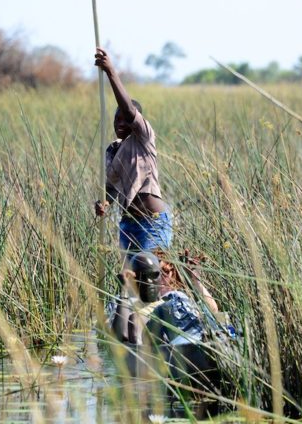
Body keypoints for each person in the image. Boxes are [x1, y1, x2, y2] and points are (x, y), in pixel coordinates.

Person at [93, 47, 172, 255]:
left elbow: (128, 111)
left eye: (125, 120)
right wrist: (104, 203)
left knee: (154, 281)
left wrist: (111, 71)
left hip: (152, 223)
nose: (120, 124)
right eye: (116, 119)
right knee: (133, 286)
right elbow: (112, 188)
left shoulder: (144, 138)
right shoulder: (113, 150)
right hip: (128, 227)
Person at [111, 251, 219, 346]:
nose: (149, 281)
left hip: (193, 338)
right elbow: (119, 338)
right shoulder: (124, 304)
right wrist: (124, 290)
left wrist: (195, 281)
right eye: (143, 276)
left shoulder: (174, 298)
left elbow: (213, 311)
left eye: (154, 275)